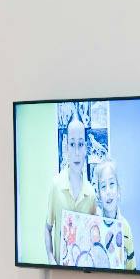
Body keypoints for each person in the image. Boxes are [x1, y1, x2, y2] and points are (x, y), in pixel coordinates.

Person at [46, 110, 96, 263]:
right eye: (72, 144)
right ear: (66, 147)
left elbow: (94, 236)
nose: (76, 152)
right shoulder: (56, 185)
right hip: (59, 275)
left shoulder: (91, 194)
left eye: (80, 144)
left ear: (86, 148)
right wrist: (50, 257)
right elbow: (47, 228)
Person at [91, 158, 135, 270]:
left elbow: (132, 267)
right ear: (99, 194)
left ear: (118, 190)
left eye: (111, 184)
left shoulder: (125, 228)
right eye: (103, 186)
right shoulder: (92, 225)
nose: (108, 191)